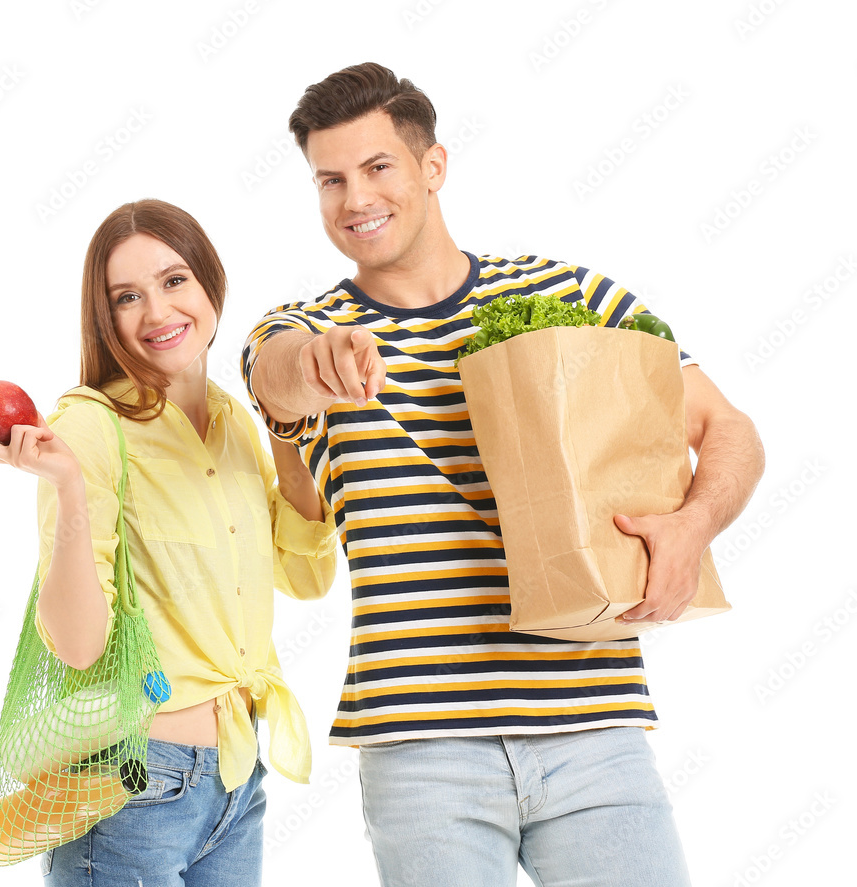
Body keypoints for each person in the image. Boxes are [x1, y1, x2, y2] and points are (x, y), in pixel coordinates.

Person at [240, 63, 765, 886]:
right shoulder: (307, 326)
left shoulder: (567, 293)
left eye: (378, 168)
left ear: (433, 166)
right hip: (422, 747)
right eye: (330, 180)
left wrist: (693, 525)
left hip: (596, 729)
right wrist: (316, 362)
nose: (354, 200)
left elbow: (727, 427)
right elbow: (274, 375)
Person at [0, 198, 338, 886]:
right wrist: (70, 487)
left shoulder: (233, 419)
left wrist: (287, 427)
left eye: (174, 281)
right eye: (127, 297)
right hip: (131, 781)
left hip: (236, 780)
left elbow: (306, 575)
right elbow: (79, 645)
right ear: (104, 318)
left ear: (209, 284)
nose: (159, 312)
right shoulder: (88, 427)